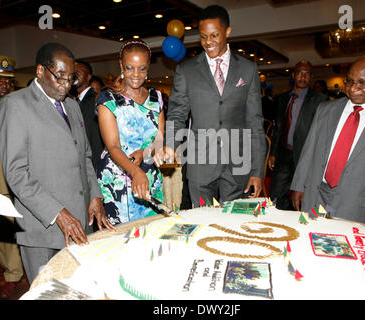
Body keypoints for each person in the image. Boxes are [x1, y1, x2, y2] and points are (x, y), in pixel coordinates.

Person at [0, 43, 115, 284]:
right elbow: (16, 173)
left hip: (80, 224)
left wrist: (94, 195)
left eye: (70, 78)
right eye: (59, 76)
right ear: (40, 71)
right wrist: (57, 213)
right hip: (43, 230)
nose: (66, 84)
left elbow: (83, 155)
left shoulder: (72, 105)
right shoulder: (16, 104)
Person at [157, 5, 266, 207]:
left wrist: (257, 171)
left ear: (228, 32)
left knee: (234, 223)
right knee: (202, 222)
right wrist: (171, 144)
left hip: (238, 163)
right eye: (203, 36)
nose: (208, 42)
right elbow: (177, 113)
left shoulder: (248, 69)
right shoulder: (186, 70)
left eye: (214, 35)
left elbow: (255, 122)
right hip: (200, 164)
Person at [290, 54, 365, 231]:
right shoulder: (327, 109)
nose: (352, 89)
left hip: (359, 206)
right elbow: (309, 150)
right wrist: (298, 185)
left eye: (362, 83)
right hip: (316, 195)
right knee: (308, 243)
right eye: (349, 82)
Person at [96, 39, 165, 225]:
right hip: (118, 179)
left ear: (148, 67)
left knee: (153, 234)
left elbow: (159, 139)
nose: (136, 74)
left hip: (149, 176)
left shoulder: (156, 98)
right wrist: (135, 172)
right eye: (129, 68)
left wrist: (145, 153)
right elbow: (113, 146)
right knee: (122, 240)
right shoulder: (108, 99)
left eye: (142, 68)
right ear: (121, 65)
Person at [268, 60, 328, 210]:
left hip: (305, 156)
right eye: (300, 73)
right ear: (294, 75)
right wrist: (273, 153)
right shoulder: (283, 98)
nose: (303, 77)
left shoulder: (320, 100)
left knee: (301, 197)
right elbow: (279, 128)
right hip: (283, 153)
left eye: (307, 74)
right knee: (275, 194)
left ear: (310, 77)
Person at [0, 55, 25, 298]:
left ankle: (31, 266)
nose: (4, 85)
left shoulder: (20, 104)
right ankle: (13, 273)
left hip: (25, 170)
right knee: (3, 225)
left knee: (27, 222)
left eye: (8, 81)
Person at [74, 60, 104, 171]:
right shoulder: (74, 101)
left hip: (92, 166)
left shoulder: (94, 100)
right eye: (73, 72)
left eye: (79, 72)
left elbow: (96, 140)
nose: (75, 74)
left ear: (89, 77)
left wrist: (95, 170)